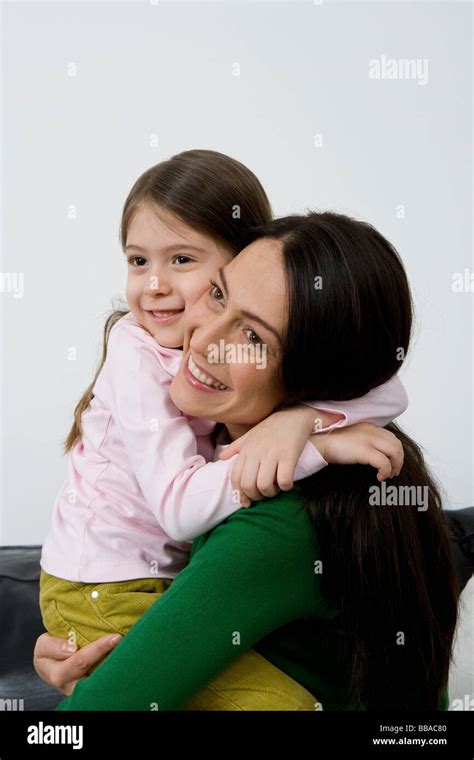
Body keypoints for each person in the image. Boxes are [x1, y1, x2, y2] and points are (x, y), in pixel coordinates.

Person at [35, 210, 457, 711]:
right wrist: (305, 422)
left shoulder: (274, 525)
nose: (205, 338)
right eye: (218, 292)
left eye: (254, 337)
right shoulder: (356, 475)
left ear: (316, 381)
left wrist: (99, 688)